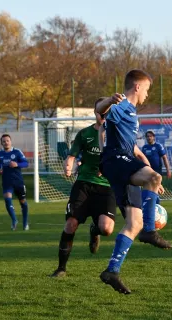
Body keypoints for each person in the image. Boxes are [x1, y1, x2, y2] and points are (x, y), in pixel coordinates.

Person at [97, 69, 172, 295]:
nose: (147, 94)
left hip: (122, 162)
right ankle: (150, 231)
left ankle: (112, 271)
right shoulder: (122, 105)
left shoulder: (131, 112)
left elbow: (130, 146)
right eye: (147, 89)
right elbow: (100, 110)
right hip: (116, 160)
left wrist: (149, 180)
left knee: (133, 224)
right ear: (137, 87)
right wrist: (109, 101)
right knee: (154, 177)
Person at [50, 99, 117, 278]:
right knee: (71, 224)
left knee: (107, 229)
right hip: (84, 185)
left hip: (106, 188)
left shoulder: (117, 135)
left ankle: (95, 229)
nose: (104, 116)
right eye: (101, 112)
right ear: (95, 112)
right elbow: (72, 155)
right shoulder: (85, 134)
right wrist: (68, 165)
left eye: (108, 113)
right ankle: (61, 268)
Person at [0, 134, 29, 231]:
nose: (6, 143)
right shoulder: (0, 153)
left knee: (23, 202)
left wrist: (17, 164)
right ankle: (14, 220)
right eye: (4, 141)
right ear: (1, 143)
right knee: (7, 199)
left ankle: (25, 223)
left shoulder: (17, 152)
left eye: (7, 141)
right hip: (7, 181)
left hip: (18, 181)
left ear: (10, 141)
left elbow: (26, 163)